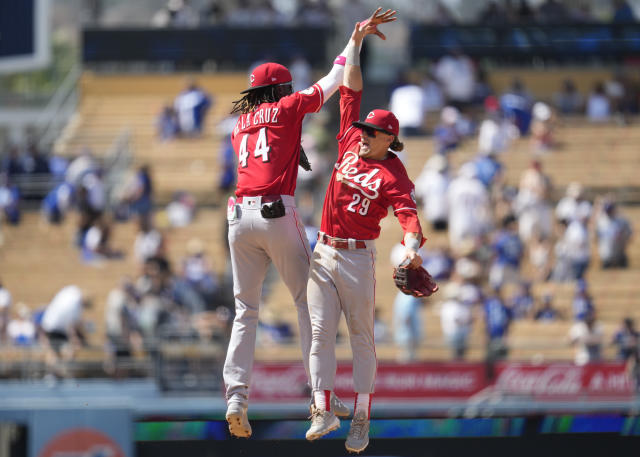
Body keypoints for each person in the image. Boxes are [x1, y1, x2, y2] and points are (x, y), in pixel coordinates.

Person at [222, 8, 397, 439]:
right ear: (280, 88)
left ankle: (236, 395)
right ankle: (320, 397)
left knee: (245, 309)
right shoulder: (289, 105)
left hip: (236, 218)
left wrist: (291, 151)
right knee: (309, 300)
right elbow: (337, 77)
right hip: (274, 214)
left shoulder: (238, 124)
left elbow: (262, 153)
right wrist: (354, 40)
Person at [305, 13, 431, 454]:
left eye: (370, 132)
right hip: (323, 248)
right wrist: (354, 39)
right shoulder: (347, 141)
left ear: (388, 138)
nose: (360, 134)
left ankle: (361, 416)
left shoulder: (394, 174)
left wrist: (412, 249)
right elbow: (350, 87)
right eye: (361, 128)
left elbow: (409, 218)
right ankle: (322, 408)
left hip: (359, 257)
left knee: (361, 337)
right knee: (319, 333)